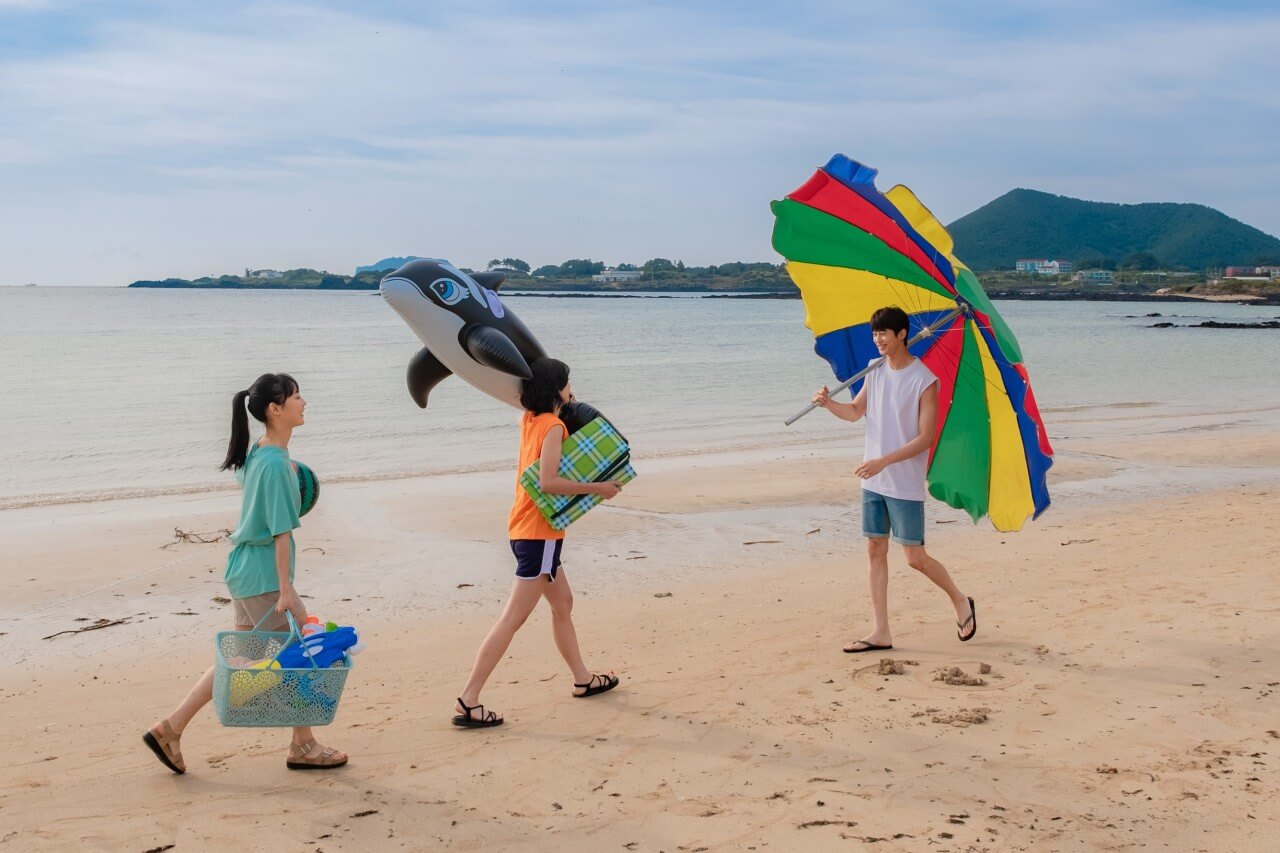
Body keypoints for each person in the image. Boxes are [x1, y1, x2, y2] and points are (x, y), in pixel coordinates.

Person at [142, 373, 347, 773]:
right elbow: (282, 533)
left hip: (246, 569)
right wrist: (287, 590)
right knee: (301, 654)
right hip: (265, 575)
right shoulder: (273, 463)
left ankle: (170, 728)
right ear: (275, 409)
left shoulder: (262, 451)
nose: (304, 403)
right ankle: (303, 745)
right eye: (296, 397)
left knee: (239, 657)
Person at [453, 358, 622, 728]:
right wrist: (600, 488)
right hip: (539, 533)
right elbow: (548, 482)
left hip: (523, 528)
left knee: (563, 602)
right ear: (555, 389)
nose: (571, 387)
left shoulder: (529, 420)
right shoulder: (554, 426)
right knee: (512, 619)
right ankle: (469, 699)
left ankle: (582, 679)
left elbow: (533, 409)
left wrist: (560, 397)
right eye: (567, 382)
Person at [812, 307, 976, 653]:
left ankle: (960, 600)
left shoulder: (924, 380)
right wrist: (829, 404)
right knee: (875, 549)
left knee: (915, 557)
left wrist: (883, 461)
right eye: (875, 334)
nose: (878, 339)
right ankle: (880, 632)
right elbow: (856, 412)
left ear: (902, 333)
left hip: (901, 480)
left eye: (884, 333)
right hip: (872, 479)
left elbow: (925, 438)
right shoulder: (874, 370)